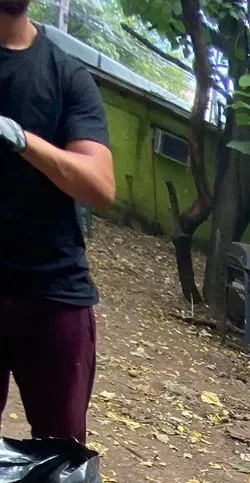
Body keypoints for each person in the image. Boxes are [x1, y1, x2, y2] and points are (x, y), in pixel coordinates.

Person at [0, 1, 115, 445]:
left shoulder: (65, 74)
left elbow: (100, 186)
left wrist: (21, 139)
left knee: (61, 457)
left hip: (52, 292)